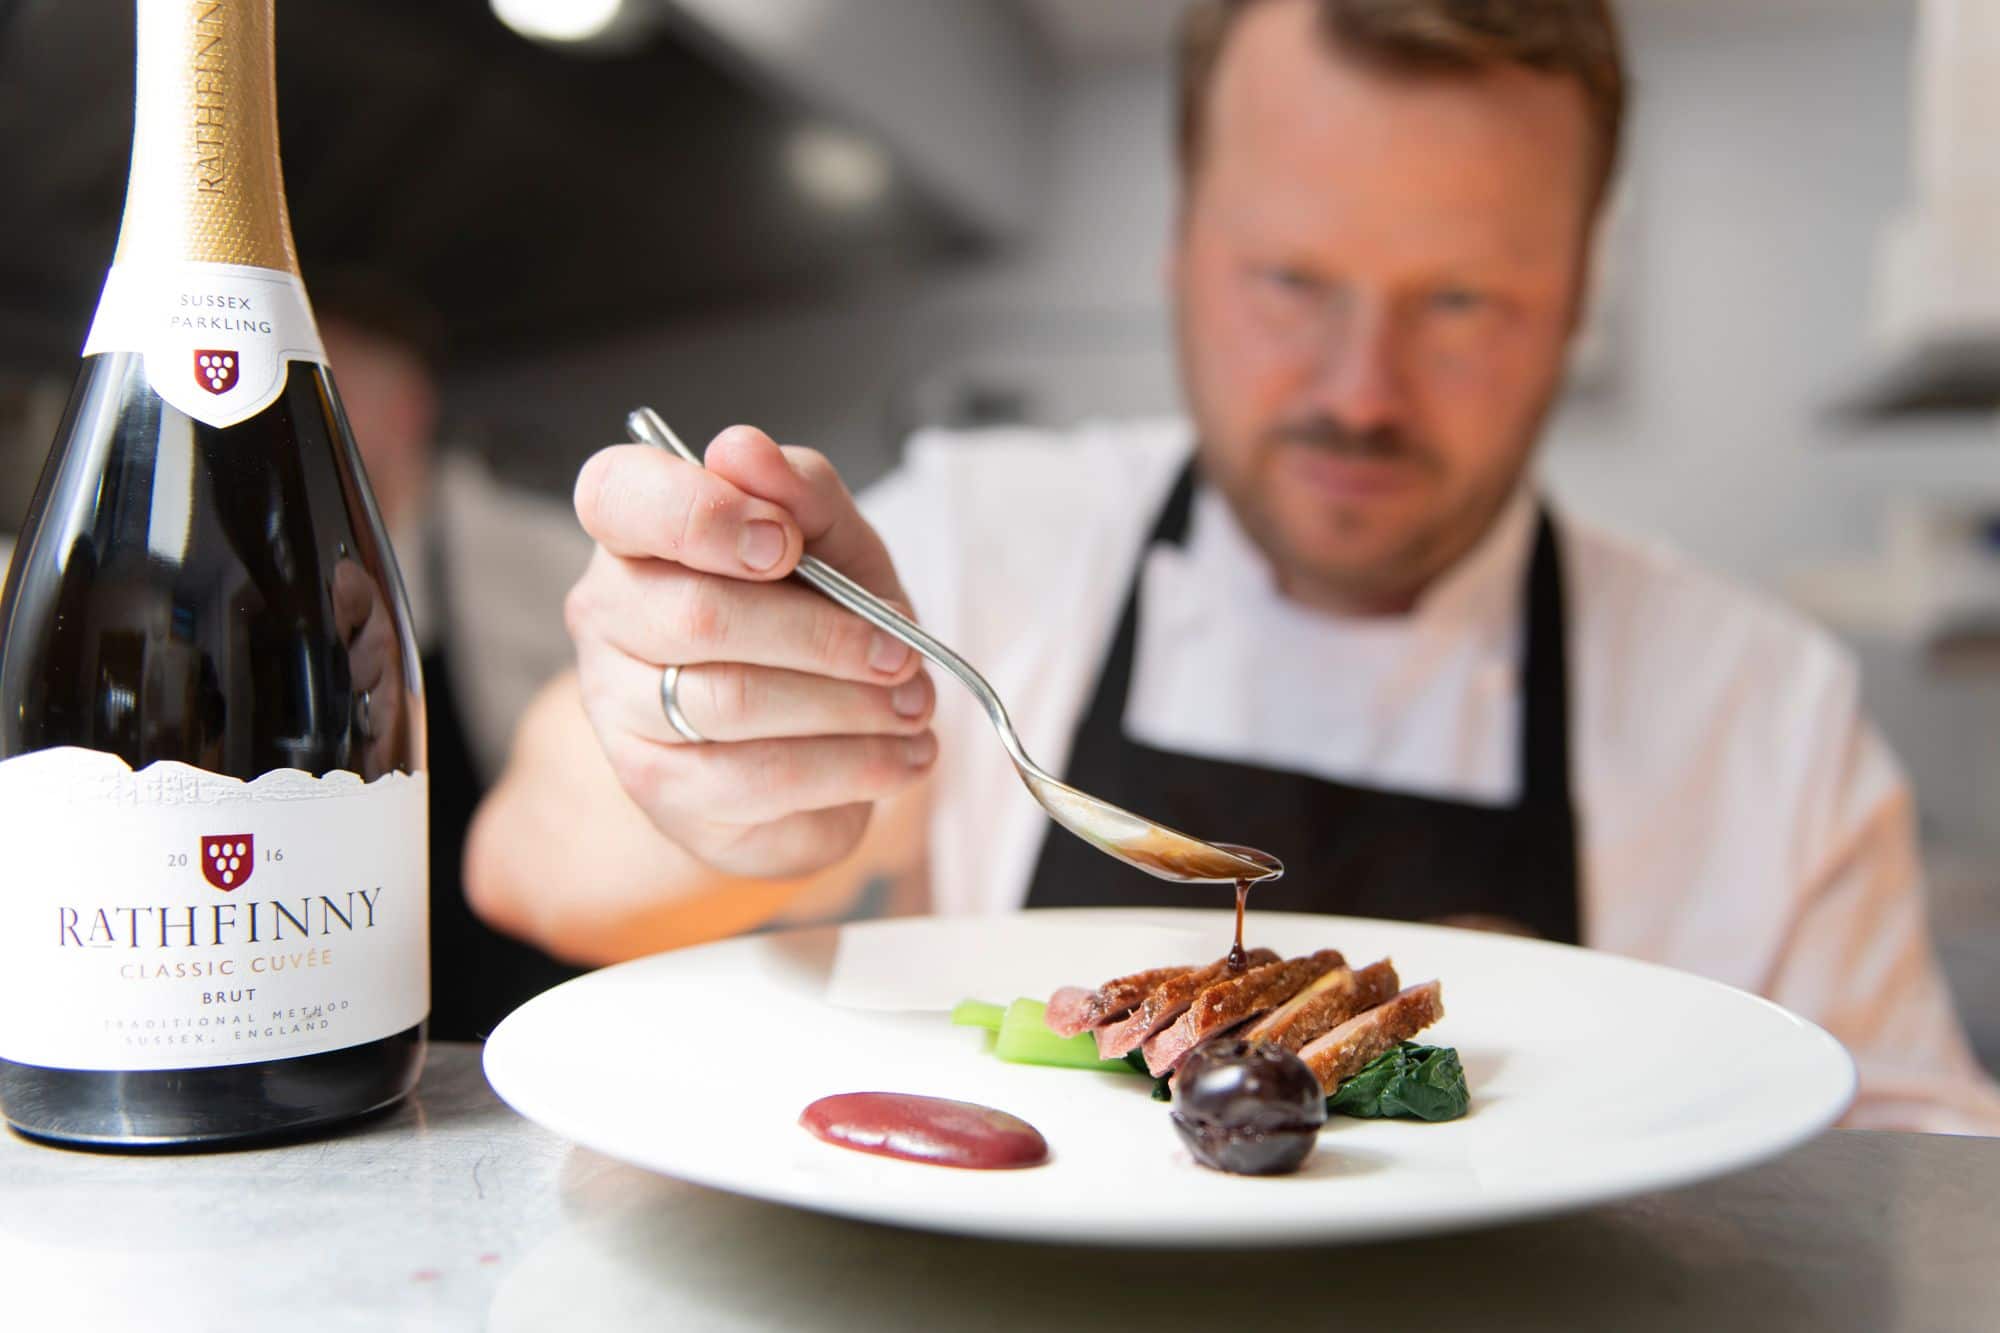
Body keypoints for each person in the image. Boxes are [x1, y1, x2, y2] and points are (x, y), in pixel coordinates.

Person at [464, 0, 2000, 1131]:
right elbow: (528, 857)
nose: (1362, 390)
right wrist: (722, 778)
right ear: (1181, 250)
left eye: (1463, 300)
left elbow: (1917, 1198)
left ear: (1578, 289)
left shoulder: (1766, 714)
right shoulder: (989, 548)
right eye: (1290, 279)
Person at [316, 281, 592, 1040]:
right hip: (358, 975)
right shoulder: (292, 564)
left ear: (408, 405)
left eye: (322, 379)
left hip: (526, 980)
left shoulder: (535, 554)